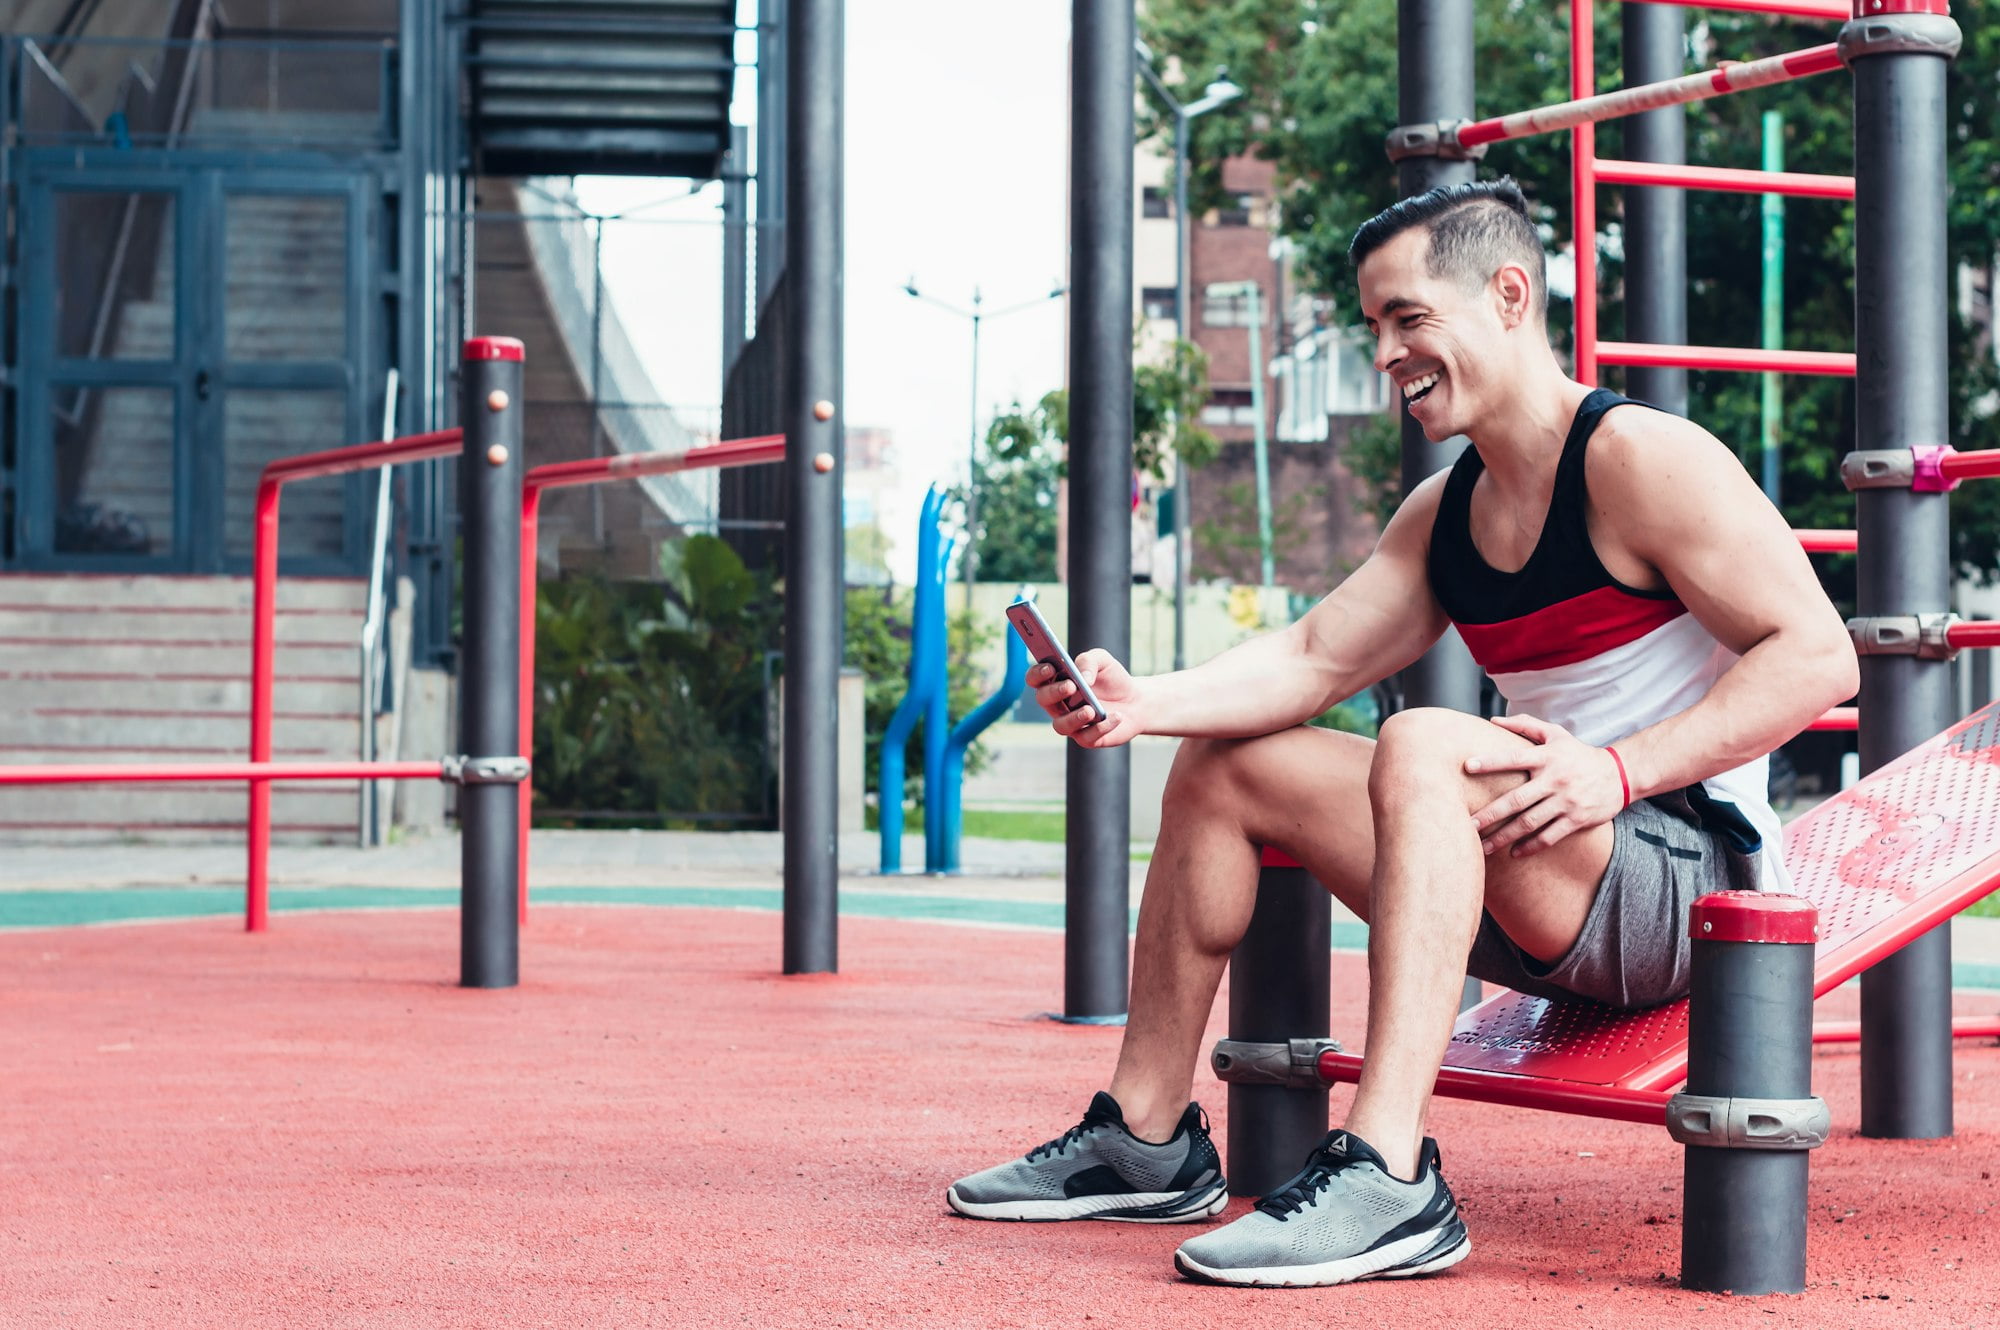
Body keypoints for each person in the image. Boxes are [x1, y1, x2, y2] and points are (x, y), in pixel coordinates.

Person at [943, 178, 1858, 1288]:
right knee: (1231, 763)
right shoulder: (1444, 515)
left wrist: (1619, 769)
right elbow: (1311, 658)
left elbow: (1815, 656)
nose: (1384, 352)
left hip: (1672, 886)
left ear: (1508, 295)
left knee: (1423, 740)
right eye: (1373, 325)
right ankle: (1142, 1136)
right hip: (1532, 869)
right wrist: (1140, 702)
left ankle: (1388, 1175)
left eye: (1407, 318)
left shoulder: (1637, 459)